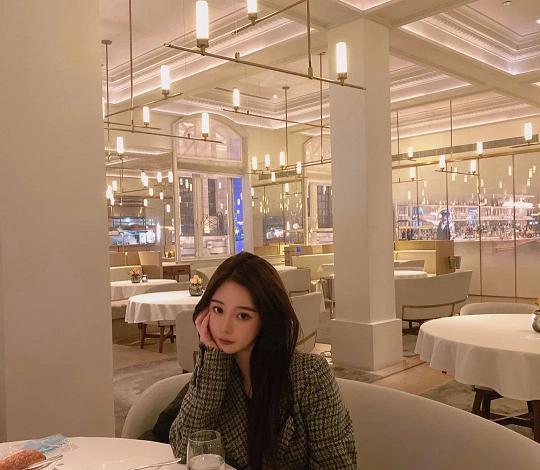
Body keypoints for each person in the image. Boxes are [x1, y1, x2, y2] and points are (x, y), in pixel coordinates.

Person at [170, 252, 357, 469]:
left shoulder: (309, 376)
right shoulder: (215, 373)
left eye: (243, 316)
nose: (224, 328)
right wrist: (212, 357)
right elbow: (184, 450)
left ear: (267, 317)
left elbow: (337, 466)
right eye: (218, 310)